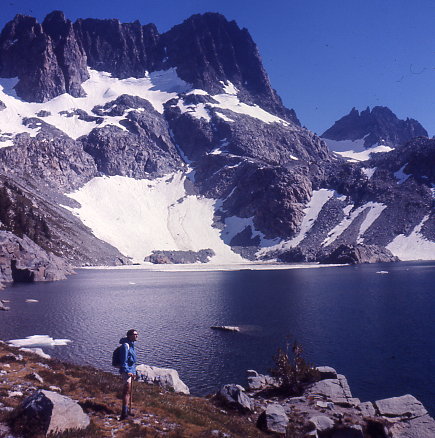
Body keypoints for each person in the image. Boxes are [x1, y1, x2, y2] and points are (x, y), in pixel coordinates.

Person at [119, 329, 138, 420]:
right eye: (135, 334)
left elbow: (132, 361)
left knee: (128, 391)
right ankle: (124, 413)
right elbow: (124, 361)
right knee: (126, 391)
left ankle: (127, 411)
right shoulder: (125, 346)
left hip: (130, 370)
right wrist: (127, 371)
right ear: (130, 335)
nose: (137, 336)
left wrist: (133, 372)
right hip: (126, 371)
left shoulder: (131, 345)